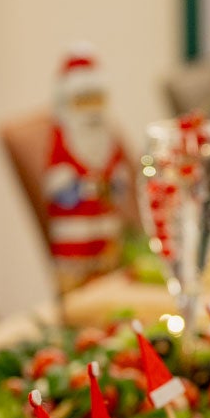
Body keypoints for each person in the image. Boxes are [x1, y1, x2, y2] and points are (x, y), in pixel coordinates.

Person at [42, 45, 129, 291]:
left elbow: (121, 179)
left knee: (109, 275)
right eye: (83, 100)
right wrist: (83, 187)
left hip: (107, 234)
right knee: (77, 289)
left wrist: (112, 186)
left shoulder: (109, 137)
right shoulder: (62, 140)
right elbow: (56, 186)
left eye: (96, 99)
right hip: (74, 242)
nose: (91, 108)